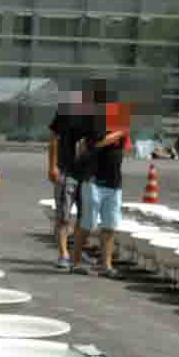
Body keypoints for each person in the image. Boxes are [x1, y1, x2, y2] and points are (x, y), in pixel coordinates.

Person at [77, 82, 129, 279]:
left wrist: (121, 132)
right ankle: (75, 261)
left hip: (114, 182)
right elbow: (96, 142)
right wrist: (120, 132)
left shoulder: (119, 121)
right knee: (87, 224)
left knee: (109, 226)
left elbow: (124, 146)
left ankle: (106, 265)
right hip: (94, 180)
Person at [48, 90, 88, 271]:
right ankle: (63, 254)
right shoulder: (66, 109)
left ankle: (76, 253)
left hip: (87, 174)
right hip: (66, 170)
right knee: (63, 215)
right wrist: (53, 166)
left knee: (84, 217)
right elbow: (53, 138)